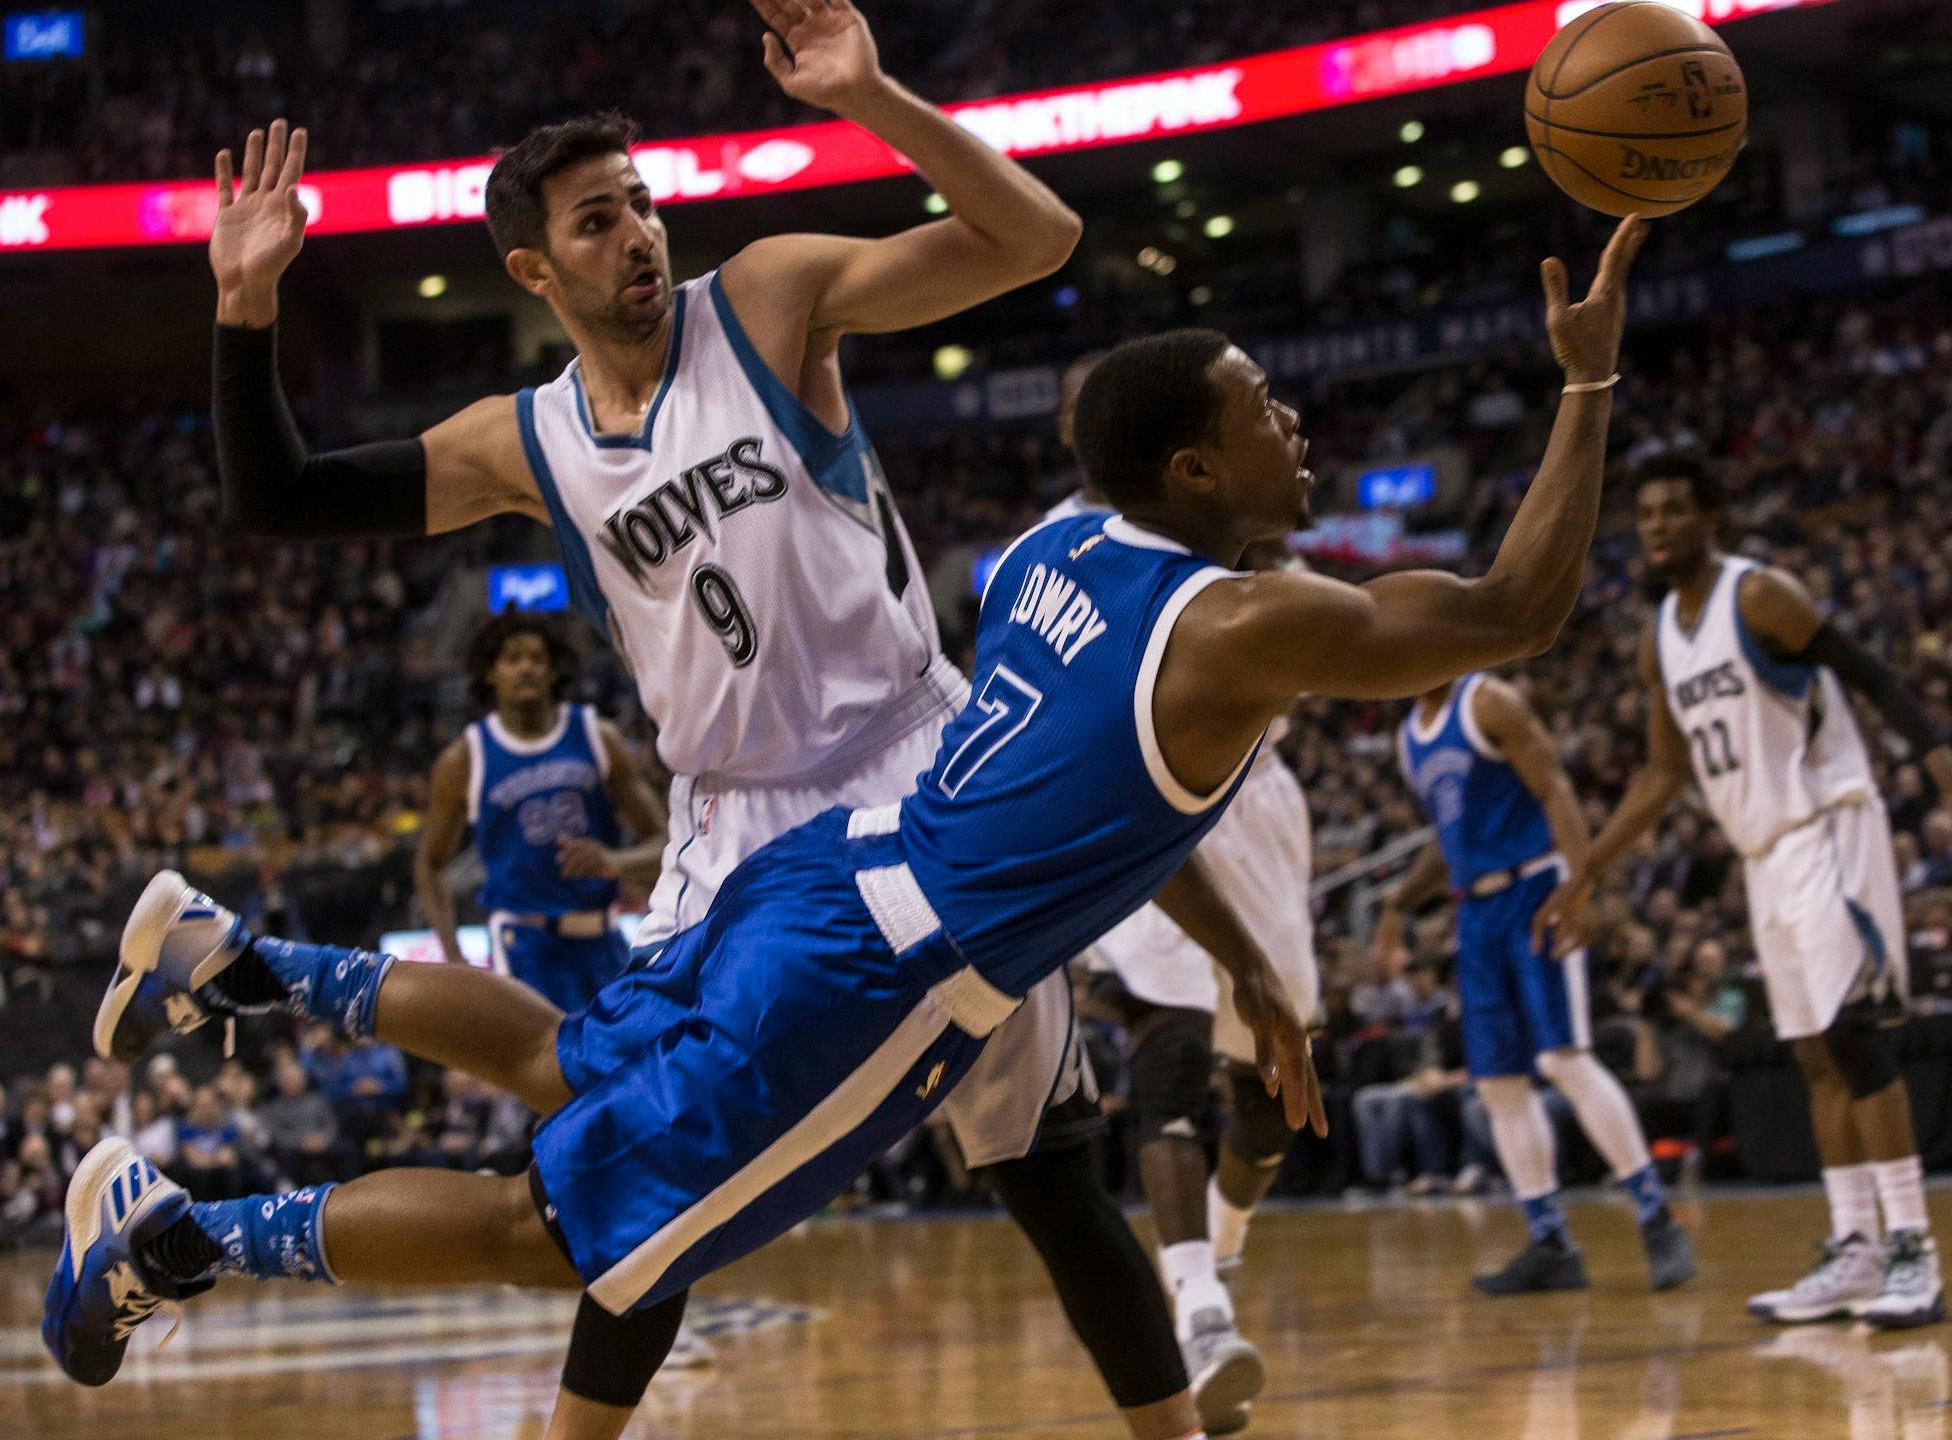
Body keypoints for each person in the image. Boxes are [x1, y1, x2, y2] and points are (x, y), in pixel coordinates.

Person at [48, 216, 1650, 1420]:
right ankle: (182, 1239)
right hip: (876, 970)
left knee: (578, 1080)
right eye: (1260, 409)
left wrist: (1237, 961)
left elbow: (1128, 818)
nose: (1291, 427)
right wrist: (1585, 376)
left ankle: (239, 961)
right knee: (574, 1232)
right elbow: (1516, 605)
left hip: (819, 870)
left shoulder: (1047, 547)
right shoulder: (1243, 627)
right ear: (1186, 464)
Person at [158, 3, 1243, 1433]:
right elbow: (276, 498)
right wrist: (246, 307)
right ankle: (262, 994)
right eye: (599, 222)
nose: (641, 237)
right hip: (733, 822)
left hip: (917, 775)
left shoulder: (771, 298)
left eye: (645, 205)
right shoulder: (524, 438)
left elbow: (1033, 240)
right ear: (535, 267)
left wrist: (872, 94)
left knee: (1043, 1157)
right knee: (632, 1160)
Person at [1539, 451, 1952, 1329]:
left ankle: (1915, 1247)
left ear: (1712, 517)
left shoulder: (1760, 596)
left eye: (1677, 510)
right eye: (1646, 513)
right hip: (1763, 853)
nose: (1657, 526)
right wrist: (1587, 873)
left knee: (1856, 1037)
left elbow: (1872, 674)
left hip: (1829, 822)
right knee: (1811, 1052)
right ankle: (1855, 1246)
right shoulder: (1660, 638)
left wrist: (1947, 780)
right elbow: (1658, 776)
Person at [1045, 361, 1320, 1431]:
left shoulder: (1220, 507)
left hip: (1255, 808)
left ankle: (1221, 1247)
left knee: (1270, 1100)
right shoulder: (1061, 548)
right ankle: (1200, 1306)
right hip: (1141, 798)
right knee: (1164, 1058)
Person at [1382, 672, 1695, 1295]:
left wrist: (1579, 885)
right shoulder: (1407, 737)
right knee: (1497, 1084)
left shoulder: (1489, 702)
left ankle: (1658, 1218)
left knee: (1563, 1060)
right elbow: (1450, 841)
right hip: (1474, 911)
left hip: (1534, 889)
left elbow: (1555, 789)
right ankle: (1550, 1240)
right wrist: (1397, 904)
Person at [412, 613, 665, 1013]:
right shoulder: (464, 758)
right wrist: (454, 956)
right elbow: (430, 865)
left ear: (553, 670)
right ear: (491, 672)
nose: (527, 667)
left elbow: (665, 843)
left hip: (602, 935)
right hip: (524, 943)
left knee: (625, 1065)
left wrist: (615, 861)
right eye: (513, 658)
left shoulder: (598, 738)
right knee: (547, 1067)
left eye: (537, 658)